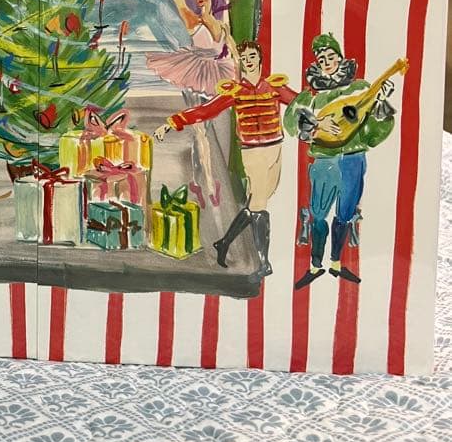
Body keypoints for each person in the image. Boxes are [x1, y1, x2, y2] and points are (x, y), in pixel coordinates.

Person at [155, 40, 296, 275]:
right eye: (245, 58)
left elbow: (300, 102)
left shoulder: (274, 86)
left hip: (275, 149)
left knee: (256, 202)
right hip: (253, 152)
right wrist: (172, 122)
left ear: (260, 59)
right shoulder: (235, 91)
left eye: (252, 56)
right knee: (259, 205)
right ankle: (264, 263)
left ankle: (223, 243)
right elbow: (205, 110)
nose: (249, 61)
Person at [283, 32, 396, 289]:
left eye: (330, 56)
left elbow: (375, 131)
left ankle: (335, 262)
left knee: (345, 213)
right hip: (325, 161)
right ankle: (315, 265)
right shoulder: (313, 96)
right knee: (318, 214)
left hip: (353, 159)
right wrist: (317, 124)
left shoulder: (360, 89)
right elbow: (291, 121)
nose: (327, 62)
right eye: (321, 59)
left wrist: (381, 103)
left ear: (340, 57)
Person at [145, 0, 238, 206]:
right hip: (194, 72)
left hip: (219, 75)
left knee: (212, 128)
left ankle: (206, 179)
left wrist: (242, 76)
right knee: (199, 129)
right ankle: (206, 181)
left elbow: (234, 52)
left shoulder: (222, 24)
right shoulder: (191, 19)